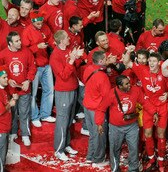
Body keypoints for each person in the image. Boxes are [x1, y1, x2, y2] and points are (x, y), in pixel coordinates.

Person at [123, 46, 168, 171]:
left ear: (159, 63)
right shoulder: (142, 70)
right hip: (148, 107)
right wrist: (128, 51)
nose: (151, 63)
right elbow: (127, 62)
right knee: (148, 134)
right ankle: (152, 159)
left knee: (161, 134)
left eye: (154, 61)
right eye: (150, 61)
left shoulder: (164, 71)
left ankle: (161, 162)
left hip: (162, 107)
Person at [95, 75, 144, 172]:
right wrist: (99, 123)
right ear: (119, 86)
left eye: (129, 82)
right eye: (126, 84)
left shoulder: (136, 90)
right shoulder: (111, 94)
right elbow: (101, 108)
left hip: (132, 126)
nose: (129, 85)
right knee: (114, 150)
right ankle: (115, 169)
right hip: (115, 128)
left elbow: (145, 102)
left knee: (134, 149)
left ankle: (133, 169)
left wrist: (154, 113)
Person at [50, 30, 83, 161]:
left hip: (73, 88)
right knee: (62, 121)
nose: (69, 39)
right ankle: (58, 149)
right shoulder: (55, 56)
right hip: (63, 91)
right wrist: (71, 60)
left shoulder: (68, 49)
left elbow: (74, 67)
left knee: (69, 120)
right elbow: (63, 75)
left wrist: (77, 58)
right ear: (61, 41)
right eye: (67, 38)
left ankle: (66, 144)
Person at [0, 32, 36, 146]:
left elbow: (32, 67)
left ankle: (25, 134)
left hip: (24, 88)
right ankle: (13, 132)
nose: (20, 42)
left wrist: (28, 80)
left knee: (24, 112)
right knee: (12, 112)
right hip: (9, 91)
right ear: (10, 43)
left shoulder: (26, 51)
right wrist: (8, 80)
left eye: (19, 40)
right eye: (17, 41)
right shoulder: (3, 54)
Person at [22, 10, 56, 128]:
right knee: (34, 93)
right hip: (34, 66)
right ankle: (34, 116)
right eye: (38, 24)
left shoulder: (45, 27)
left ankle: (45, 114)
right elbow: (25, 51)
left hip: (46, 64)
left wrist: (54, 43)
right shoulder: (27, 32)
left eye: (41, 23)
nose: (40, 25)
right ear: (32, 22)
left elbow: (51, 39)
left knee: (49, 90)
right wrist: (37, 47)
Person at [83, 50, 111, 166]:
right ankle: (98, 159)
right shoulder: (102, 76)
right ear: (100, 61)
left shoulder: (88, 69)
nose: (107, 60)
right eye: (105, 59)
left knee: (93, 134)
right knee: (100, 134)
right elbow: (107, 97)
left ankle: (90, 156)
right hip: (97, 110)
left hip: (87, 106)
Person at [0, 66, 18, 169]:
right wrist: (10, 104)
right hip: (1, 129)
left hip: (5, 128)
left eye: (7, 77)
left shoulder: (3, 90)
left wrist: (12, 99)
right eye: (4, 78)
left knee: (3, 156)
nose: (7, 79)